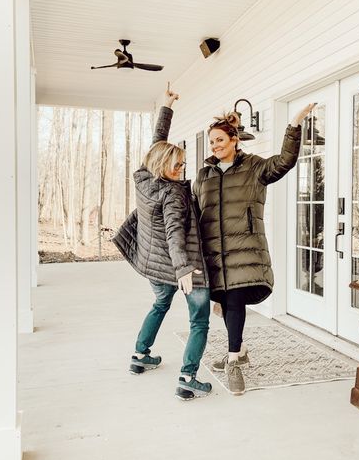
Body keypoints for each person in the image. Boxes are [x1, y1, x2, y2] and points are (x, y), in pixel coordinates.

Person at [193, 102, 316, 395]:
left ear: (234, 140)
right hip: (213, 251)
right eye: (212, 142)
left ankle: (233, 359)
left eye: (220, 140)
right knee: (224, 305)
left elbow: (285, 160)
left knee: (235, 300)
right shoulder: (204, 174)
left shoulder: (255, 167)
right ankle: (242, 350)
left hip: (244, 246)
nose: (215, 146)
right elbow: (195, 210)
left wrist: (294, 125)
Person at [113, 84, 212, 401]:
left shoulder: (144, 178)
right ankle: (188, 377)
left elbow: (157, 142)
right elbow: (175, 234)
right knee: (199, 321)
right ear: (163, 166)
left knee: (160, 303)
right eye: (177, 165)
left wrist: (166, 107)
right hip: (182, 264)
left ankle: (140, 356)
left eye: (183, 163)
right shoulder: (173, 195)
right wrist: (185, 269)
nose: (182, 168)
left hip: (153, 263)